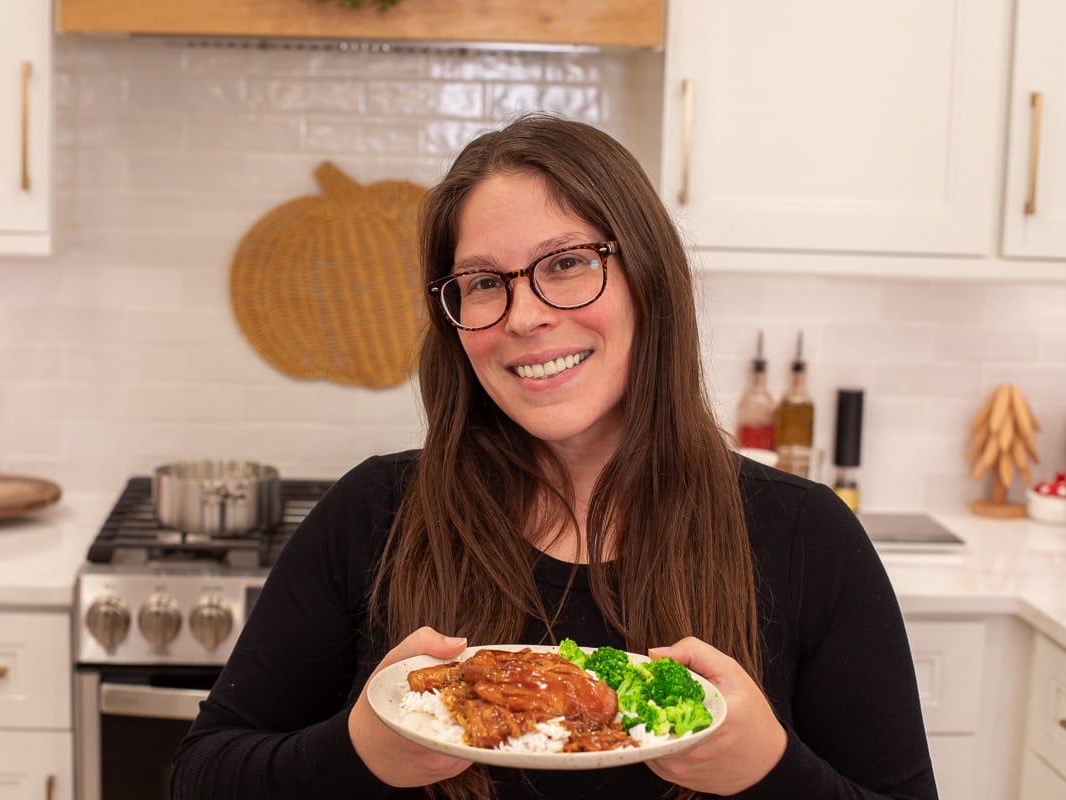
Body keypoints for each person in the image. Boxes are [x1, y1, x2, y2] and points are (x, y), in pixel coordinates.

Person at [171, 114, 938, 800]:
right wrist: (360, 751)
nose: (527, 317)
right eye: (482, 283)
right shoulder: (374, 513)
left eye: (568, 262)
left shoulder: (807, 536)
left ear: (648, 276)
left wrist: (771, 771)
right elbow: (200, 776)